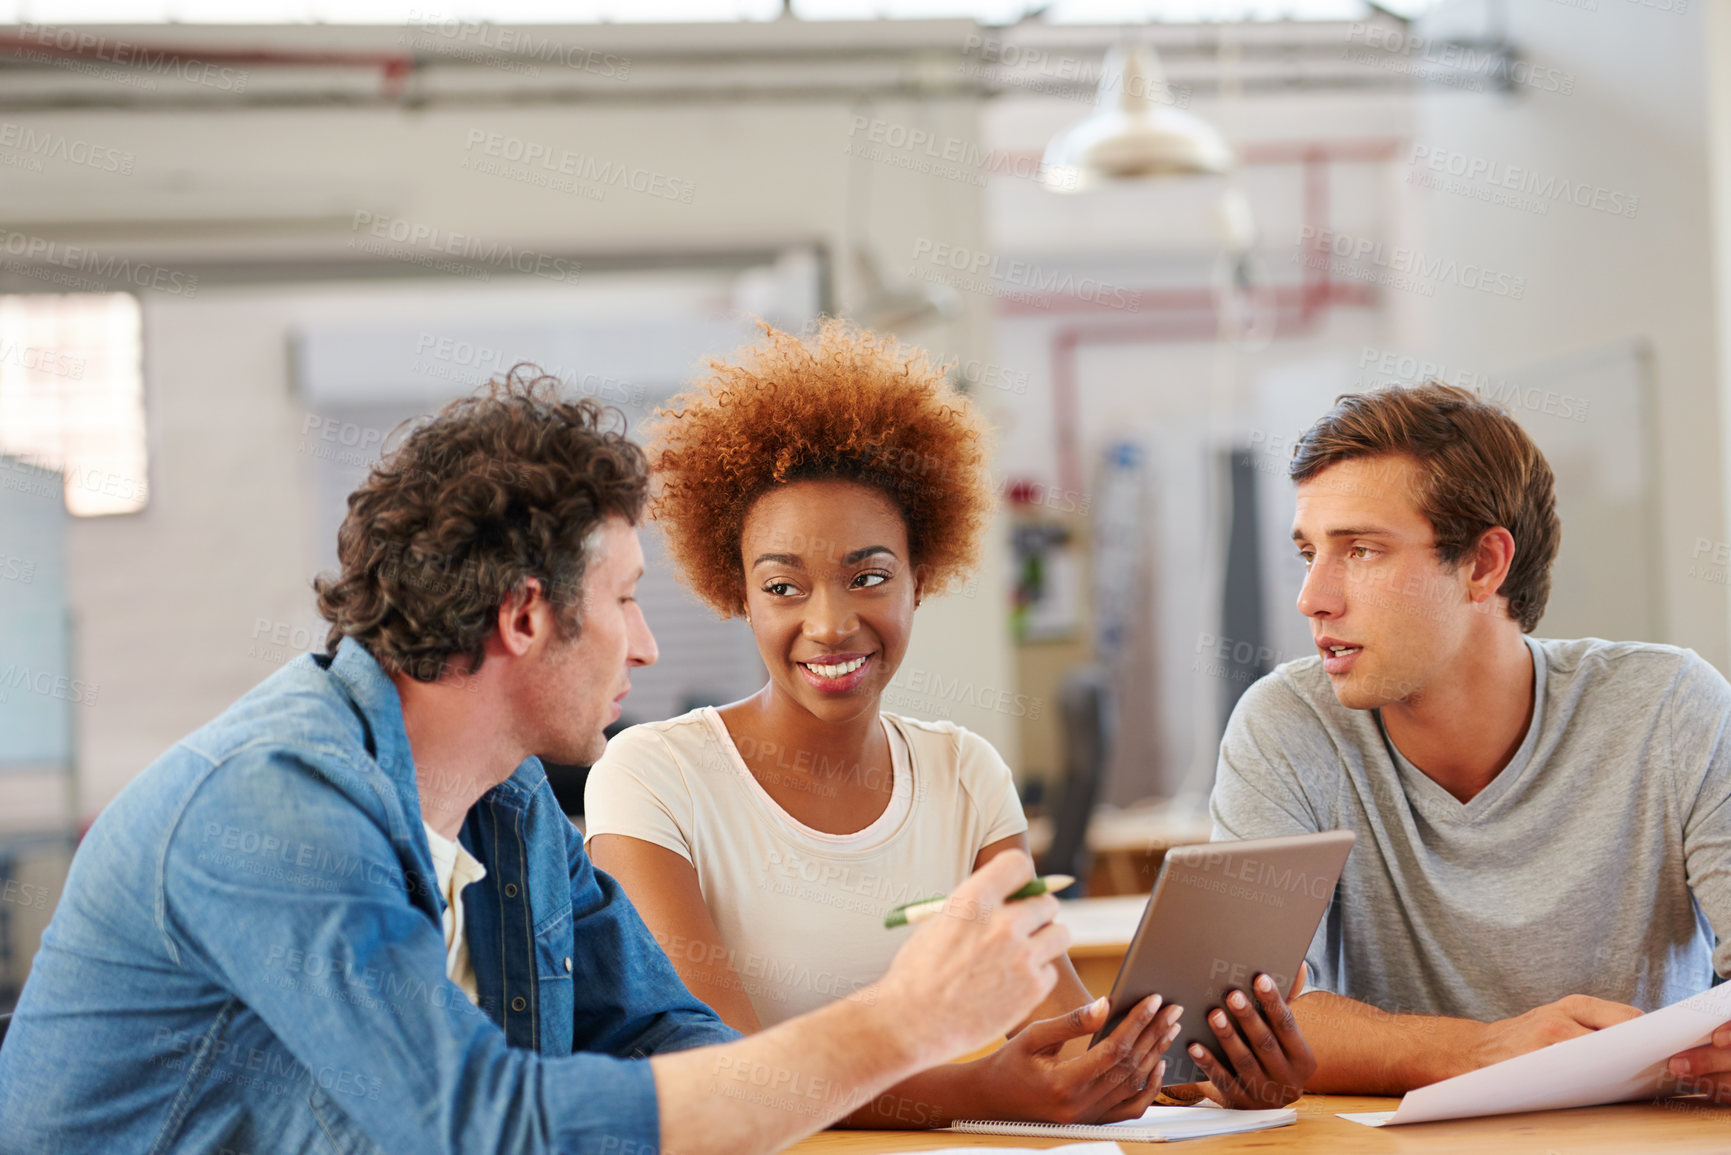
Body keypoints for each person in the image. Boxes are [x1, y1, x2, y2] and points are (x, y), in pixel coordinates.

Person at [0, 371, 1081, 1155]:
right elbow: (480, 1127)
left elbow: (662, 1037)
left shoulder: (504, 802)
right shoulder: (275, 807)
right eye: (623, 600)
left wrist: (902, 1071)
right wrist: (899, 1025)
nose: (650, 645)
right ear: (526, 616)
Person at [584, 320, 1316, 1125]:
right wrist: (975, 1093)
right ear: (738, 593)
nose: (828, 624)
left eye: (868, 576)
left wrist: (1198, 1060)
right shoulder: (652, 775)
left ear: (920, 578)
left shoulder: (963, 772)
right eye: (783, 587)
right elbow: (725, 1062)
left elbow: (1059, 1032)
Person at [1212, 381, 1731, 1099]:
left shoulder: (1670, 706)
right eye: (1309, 553)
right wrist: (1478, 1048)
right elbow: (1234, 1016)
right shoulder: (1286, 723)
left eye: (1360, 550)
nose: (1313, 597)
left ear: (1484, 564)